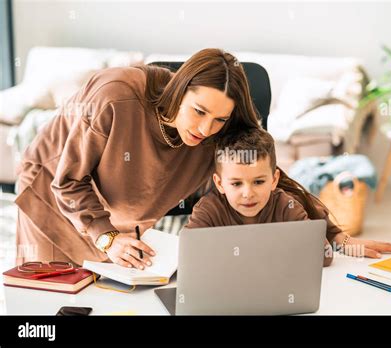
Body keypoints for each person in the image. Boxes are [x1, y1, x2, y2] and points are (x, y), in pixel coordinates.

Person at [15, 48, 261, 269]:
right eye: (198, 111)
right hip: (51, 201)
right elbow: (68, 181)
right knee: (52, 299)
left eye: (220, 119)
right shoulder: (114, 96)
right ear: (179, 90)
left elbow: (255, 175)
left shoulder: (220, 135)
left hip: (120, 222)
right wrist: (107, 238)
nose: (206, 129)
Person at [185, 128, 391, 265]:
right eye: (236, 183)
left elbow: (324, 255)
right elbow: (188, 255)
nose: (248, 193)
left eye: (259, 181)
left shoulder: (285, 204)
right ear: (219, 183)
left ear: (274, 179)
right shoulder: (208, 209)